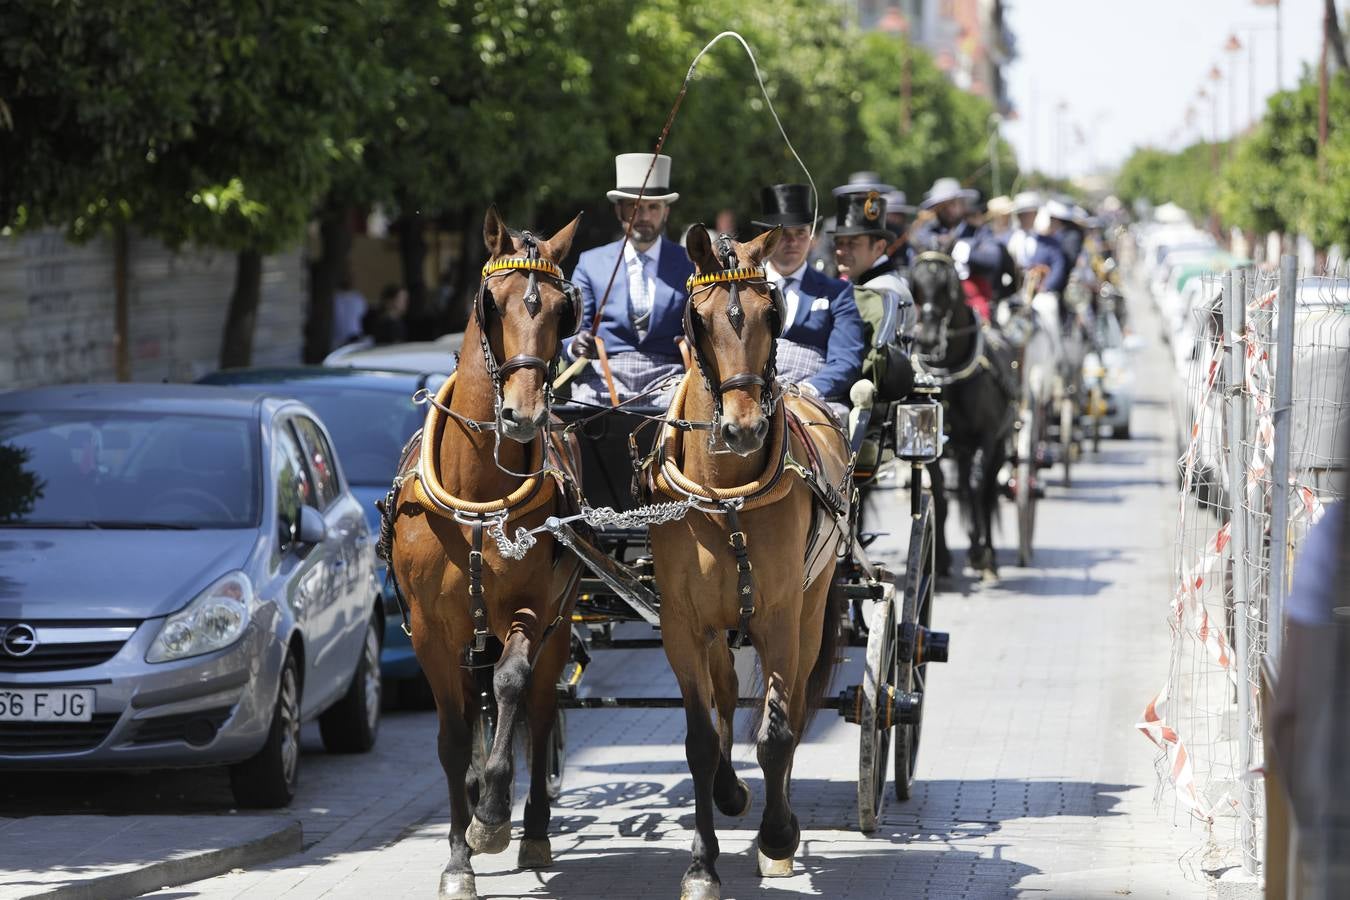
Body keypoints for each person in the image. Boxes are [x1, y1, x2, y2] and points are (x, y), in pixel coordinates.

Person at [566, 153, 696, 405]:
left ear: (666, 212)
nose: (644, 216)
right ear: (619, 210)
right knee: (574, 420)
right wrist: (576, 345)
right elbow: (573, 330)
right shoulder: (590, 263)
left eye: (653, 207)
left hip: (670, 376)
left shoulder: (689, 264)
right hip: (604, 374)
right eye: (634, 207)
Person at [753, 183, 864, 415]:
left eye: (800, 233)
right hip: (753, 393)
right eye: (783, 234)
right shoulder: (747, 289)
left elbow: (846, 360)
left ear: (811, 236)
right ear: (767, 239)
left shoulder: (836, 293)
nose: (792, 242)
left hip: (810, 397)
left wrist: (810, 388)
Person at [831, 186, 917, 403]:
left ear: (879, 248)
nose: (842, 251)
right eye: (839, 243)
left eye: (852, 244)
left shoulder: (883, 290)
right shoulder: (878, 282)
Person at [911, 176, 1014, 323]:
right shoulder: (926, 234)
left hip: (972, 301)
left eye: (952, 204)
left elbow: (993, 260)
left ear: (962, 204)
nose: (948, 210)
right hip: (933, 301)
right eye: (942, 206)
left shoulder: (979, 232)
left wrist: (961, 249)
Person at [1005, 190, 1042, 268]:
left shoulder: (1044, 241)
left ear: (1036, 214)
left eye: (1029, 214)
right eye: (1022, 214)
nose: (1025, 218)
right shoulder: (1008, 237)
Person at [332, 275, 368, 350]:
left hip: (354, 334)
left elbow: (362, 314)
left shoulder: (357, 297)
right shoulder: (335, 297)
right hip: (338, 336)